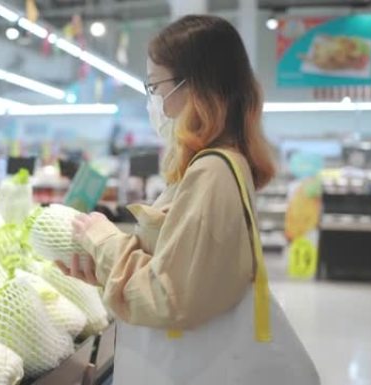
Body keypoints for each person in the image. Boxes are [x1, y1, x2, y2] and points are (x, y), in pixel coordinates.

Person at [57, 15, 320, 385]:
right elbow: (185, 271)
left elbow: (170, 296)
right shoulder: (218, 166)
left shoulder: (211, 173)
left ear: (192, 87)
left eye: (154, 85)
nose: (152, 99)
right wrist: (105, 269)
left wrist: (104, 240)